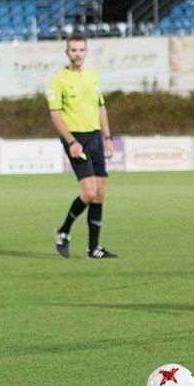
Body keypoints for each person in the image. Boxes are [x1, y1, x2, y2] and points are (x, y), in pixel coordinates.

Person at [48, 34, 117, 259]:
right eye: (73, 50)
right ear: (67, 53)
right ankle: (64, 230)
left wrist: (107, 138)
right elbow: (55, 116)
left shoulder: (93, 76)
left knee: (99, 194)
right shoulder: (58, 80)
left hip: (95, 137)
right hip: (75, 138)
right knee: (88, 193)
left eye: (81, 50)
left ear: (86, 52)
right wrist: (71, 142)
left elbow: (101, 108)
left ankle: (93, 248)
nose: (78, 54)